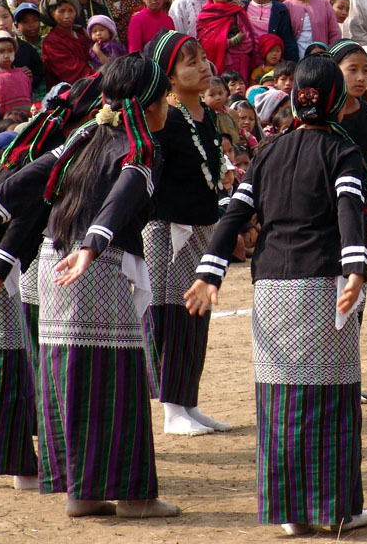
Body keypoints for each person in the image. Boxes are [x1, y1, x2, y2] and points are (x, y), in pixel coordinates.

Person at [185, 56, 367, 535]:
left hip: (270, 287)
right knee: (331, 398)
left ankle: (289, 511)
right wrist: (356, 267)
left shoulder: (270, 152)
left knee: (279, 398)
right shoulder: (343, 150)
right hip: (322, 284)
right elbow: (349, 211)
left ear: (295, 97)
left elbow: (234, 214)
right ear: (338, 98)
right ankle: (337, 509)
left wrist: (210, 271)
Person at [0, 56, 179, 517]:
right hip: (94, 265)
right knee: (113, 380)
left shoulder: (83, 136)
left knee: (68, 375)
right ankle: (135, 497)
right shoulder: (137, 147)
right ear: (152, 104)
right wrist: (94, 245)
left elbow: (24, 182)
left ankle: (83, 492)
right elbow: (122, 197)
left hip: (59, 264)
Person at [140, 31, 229, 436]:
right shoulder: (165, 118)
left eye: (204, 58)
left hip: (200, 227)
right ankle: (171, 409)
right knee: (170, 316)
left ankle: (189, 402)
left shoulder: (206, 115)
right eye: (190, 62)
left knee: (198, 314)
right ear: (170, 77)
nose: (203, 66)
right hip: (167, 230)